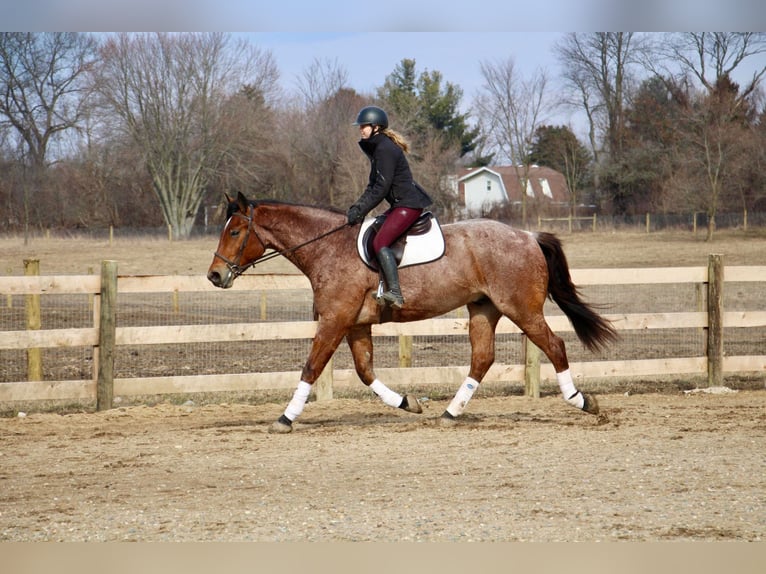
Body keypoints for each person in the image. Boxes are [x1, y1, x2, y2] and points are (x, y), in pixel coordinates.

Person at [347, 105, 432, 309]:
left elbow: (382, 187)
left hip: (407, 205)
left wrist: (362, 209)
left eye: (364, 126)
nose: (361, 129)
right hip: (399, 205)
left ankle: (395, 292)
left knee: (379, 242)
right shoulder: (379, 149)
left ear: (376, 127)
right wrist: (357, 207)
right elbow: (372, 186)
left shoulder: (385, 149)